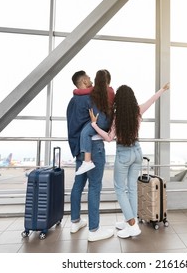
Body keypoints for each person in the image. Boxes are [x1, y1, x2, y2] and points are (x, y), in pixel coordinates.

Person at [89, 82, 170, 238]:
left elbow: (108, 138)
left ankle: (132, 225)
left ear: (118, 100)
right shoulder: (138, 111)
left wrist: (94, 125)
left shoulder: (116, 118)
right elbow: (151, 100)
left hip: (124, 154)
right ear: (132, 98)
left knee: (120, 189)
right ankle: (130, 221)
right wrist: (162, 89)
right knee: (132, 188)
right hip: (138, 152)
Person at [66, 70, 114, 242]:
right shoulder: (92, 98)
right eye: (88, 79)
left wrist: (76, 148)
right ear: (85, 81)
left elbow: (72, 127)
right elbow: (102, 121)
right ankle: (94, 230)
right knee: (95, 187)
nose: (91, 81)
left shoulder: (72, 101)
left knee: (78, 184)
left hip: (80, 148)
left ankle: (75, 222)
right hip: (94, 147)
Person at [75, 69, 114, 175]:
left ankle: (87, 161)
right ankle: (87, 162)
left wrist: (74, 91)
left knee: (85, 133)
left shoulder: (95, 90)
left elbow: (79, 92)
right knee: (85, 132)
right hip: (107, 122)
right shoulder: (111, 90)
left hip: (99, 120)